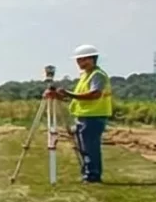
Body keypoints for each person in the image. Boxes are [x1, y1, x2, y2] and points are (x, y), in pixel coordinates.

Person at [46, 44, 112, 183]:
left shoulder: (97, 75)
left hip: (94, 116)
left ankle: (93, 175)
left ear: (92, 59)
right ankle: (88, 173)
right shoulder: (85, 75)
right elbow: (78, 96)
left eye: (83, 60)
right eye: (78, 60)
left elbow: (94, 94)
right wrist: (60, 96)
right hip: (84, 115)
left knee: (90, 147)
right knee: (84, 147)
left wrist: (68, 93)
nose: (80, 63)